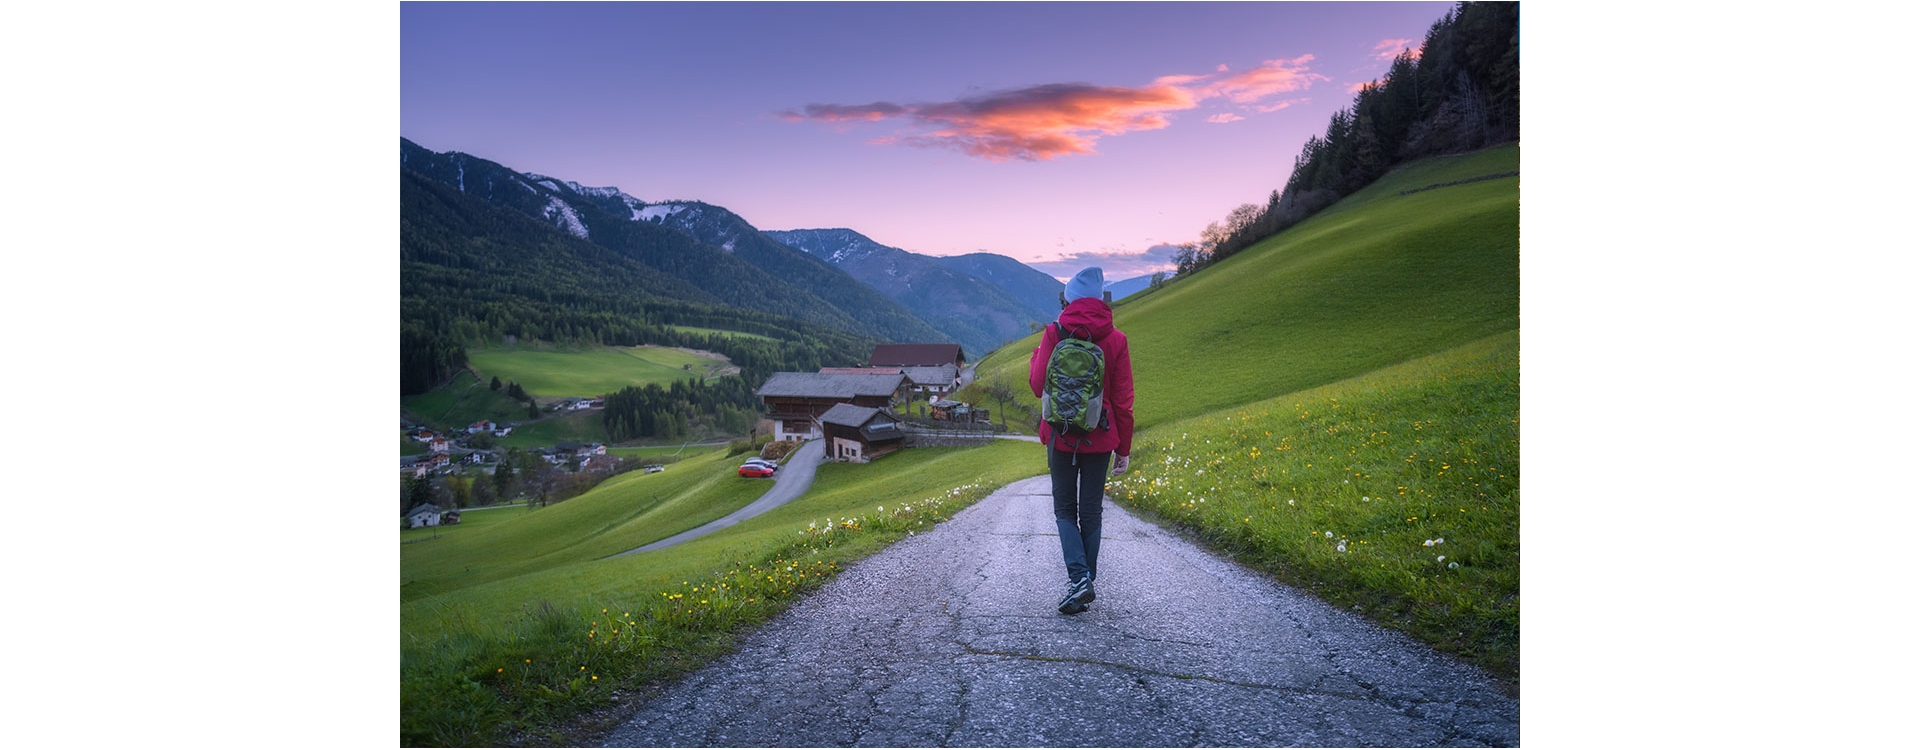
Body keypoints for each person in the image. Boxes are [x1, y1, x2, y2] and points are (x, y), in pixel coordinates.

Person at [1028, 266, 1134, 615]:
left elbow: (1036, 385)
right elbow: (1122, 399)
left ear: (1069, 298)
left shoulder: (1054, 332)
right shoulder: (1117, 340)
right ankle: (1084, 579)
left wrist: (1035, 358)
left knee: (1063, 510)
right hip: (1101, 436)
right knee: (1091, 511)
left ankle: (1078, 579)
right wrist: (1124, 449)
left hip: (1060, 435)